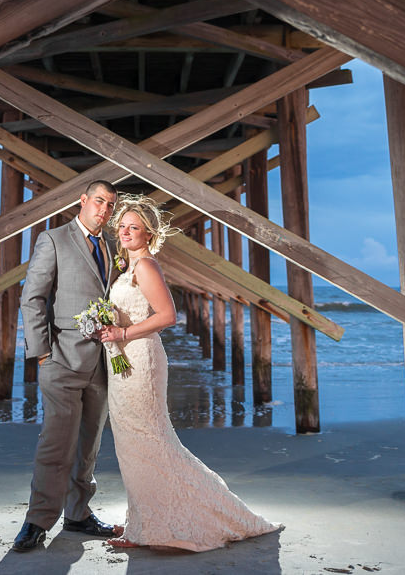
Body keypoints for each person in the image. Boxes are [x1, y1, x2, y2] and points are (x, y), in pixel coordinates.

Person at [97, 194, 280, 551]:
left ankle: (159, 525)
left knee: (148, 440)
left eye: (134, 227)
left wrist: (121, 333)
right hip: (122, 360)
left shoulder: (146, 267)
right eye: (122, 226)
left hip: (140, 361)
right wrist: (107, 325)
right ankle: (143, 520)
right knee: (132, 444)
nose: (126, 232)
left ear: (148, 233)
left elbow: (167, 317)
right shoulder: (127, 266)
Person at [12, 180, 124, 553]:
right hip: (61, 359)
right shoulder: (54, 240)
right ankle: (37, 520)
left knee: (89, 446)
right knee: (56, 444)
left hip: (103, 364)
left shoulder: (111, 245)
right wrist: (43, 354)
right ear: (82, 201)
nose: (104, 211)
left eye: (110, 205)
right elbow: (32, 298)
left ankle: (78, 513)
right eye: (98, 202)